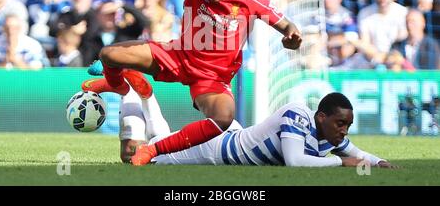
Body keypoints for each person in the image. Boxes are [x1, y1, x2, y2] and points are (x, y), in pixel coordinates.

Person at [82, 0, 302, 166]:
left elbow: (286, 24)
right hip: (178, 55)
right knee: (109, 55)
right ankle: (119, 86)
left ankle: (153, 149)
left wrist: (292, 36)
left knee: (223, 118)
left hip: (212, 77)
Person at [123, 90, 396, 168]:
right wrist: (341, 163)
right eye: (341, 123)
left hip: (235, 139)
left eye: (348, 125)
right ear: (321, 116)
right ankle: (132, 93)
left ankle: (146, 96)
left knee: (159, 140)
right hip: (218, 149)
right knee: (139, 155)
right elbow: (294, 161)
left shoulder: (330, 136)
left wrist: (380, 161)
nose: (344, 131)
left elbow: (356, 151)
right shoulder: (297, 115)